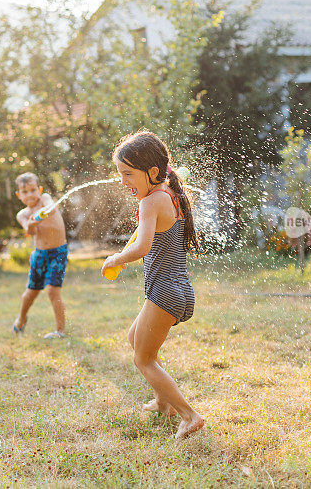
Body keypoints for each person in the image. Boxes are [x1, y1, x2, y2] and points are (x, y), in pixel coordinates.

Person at [101, 130, 205, 439]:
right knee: (135, 338)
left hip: (164, 292)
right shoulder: (169, 195)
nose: (124, 181)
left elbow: (142, 246)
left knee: (142, 358)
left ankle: (189, 415)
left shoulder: (150, 203)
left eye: (128, 174)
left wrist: (115, 259)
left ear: (153, 172)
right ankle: (163, 402)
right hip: (179, 289)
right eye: (121, 174)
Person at [13, 172, 68, 339]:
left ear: (39, 189)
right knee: (31, 292)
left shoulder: (45, 199)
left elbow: (52, 208)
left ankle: (60, 331)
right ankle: (21, 319)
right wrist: (32, 222)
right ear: (18, 195)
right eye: (25, 192)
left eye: (33, 190)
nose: (30, 194)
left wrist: (41, 213)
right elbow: (30, 230)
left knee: (52, 290)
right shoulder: (22, 214)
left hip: (58, 252)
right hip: (39, 255)